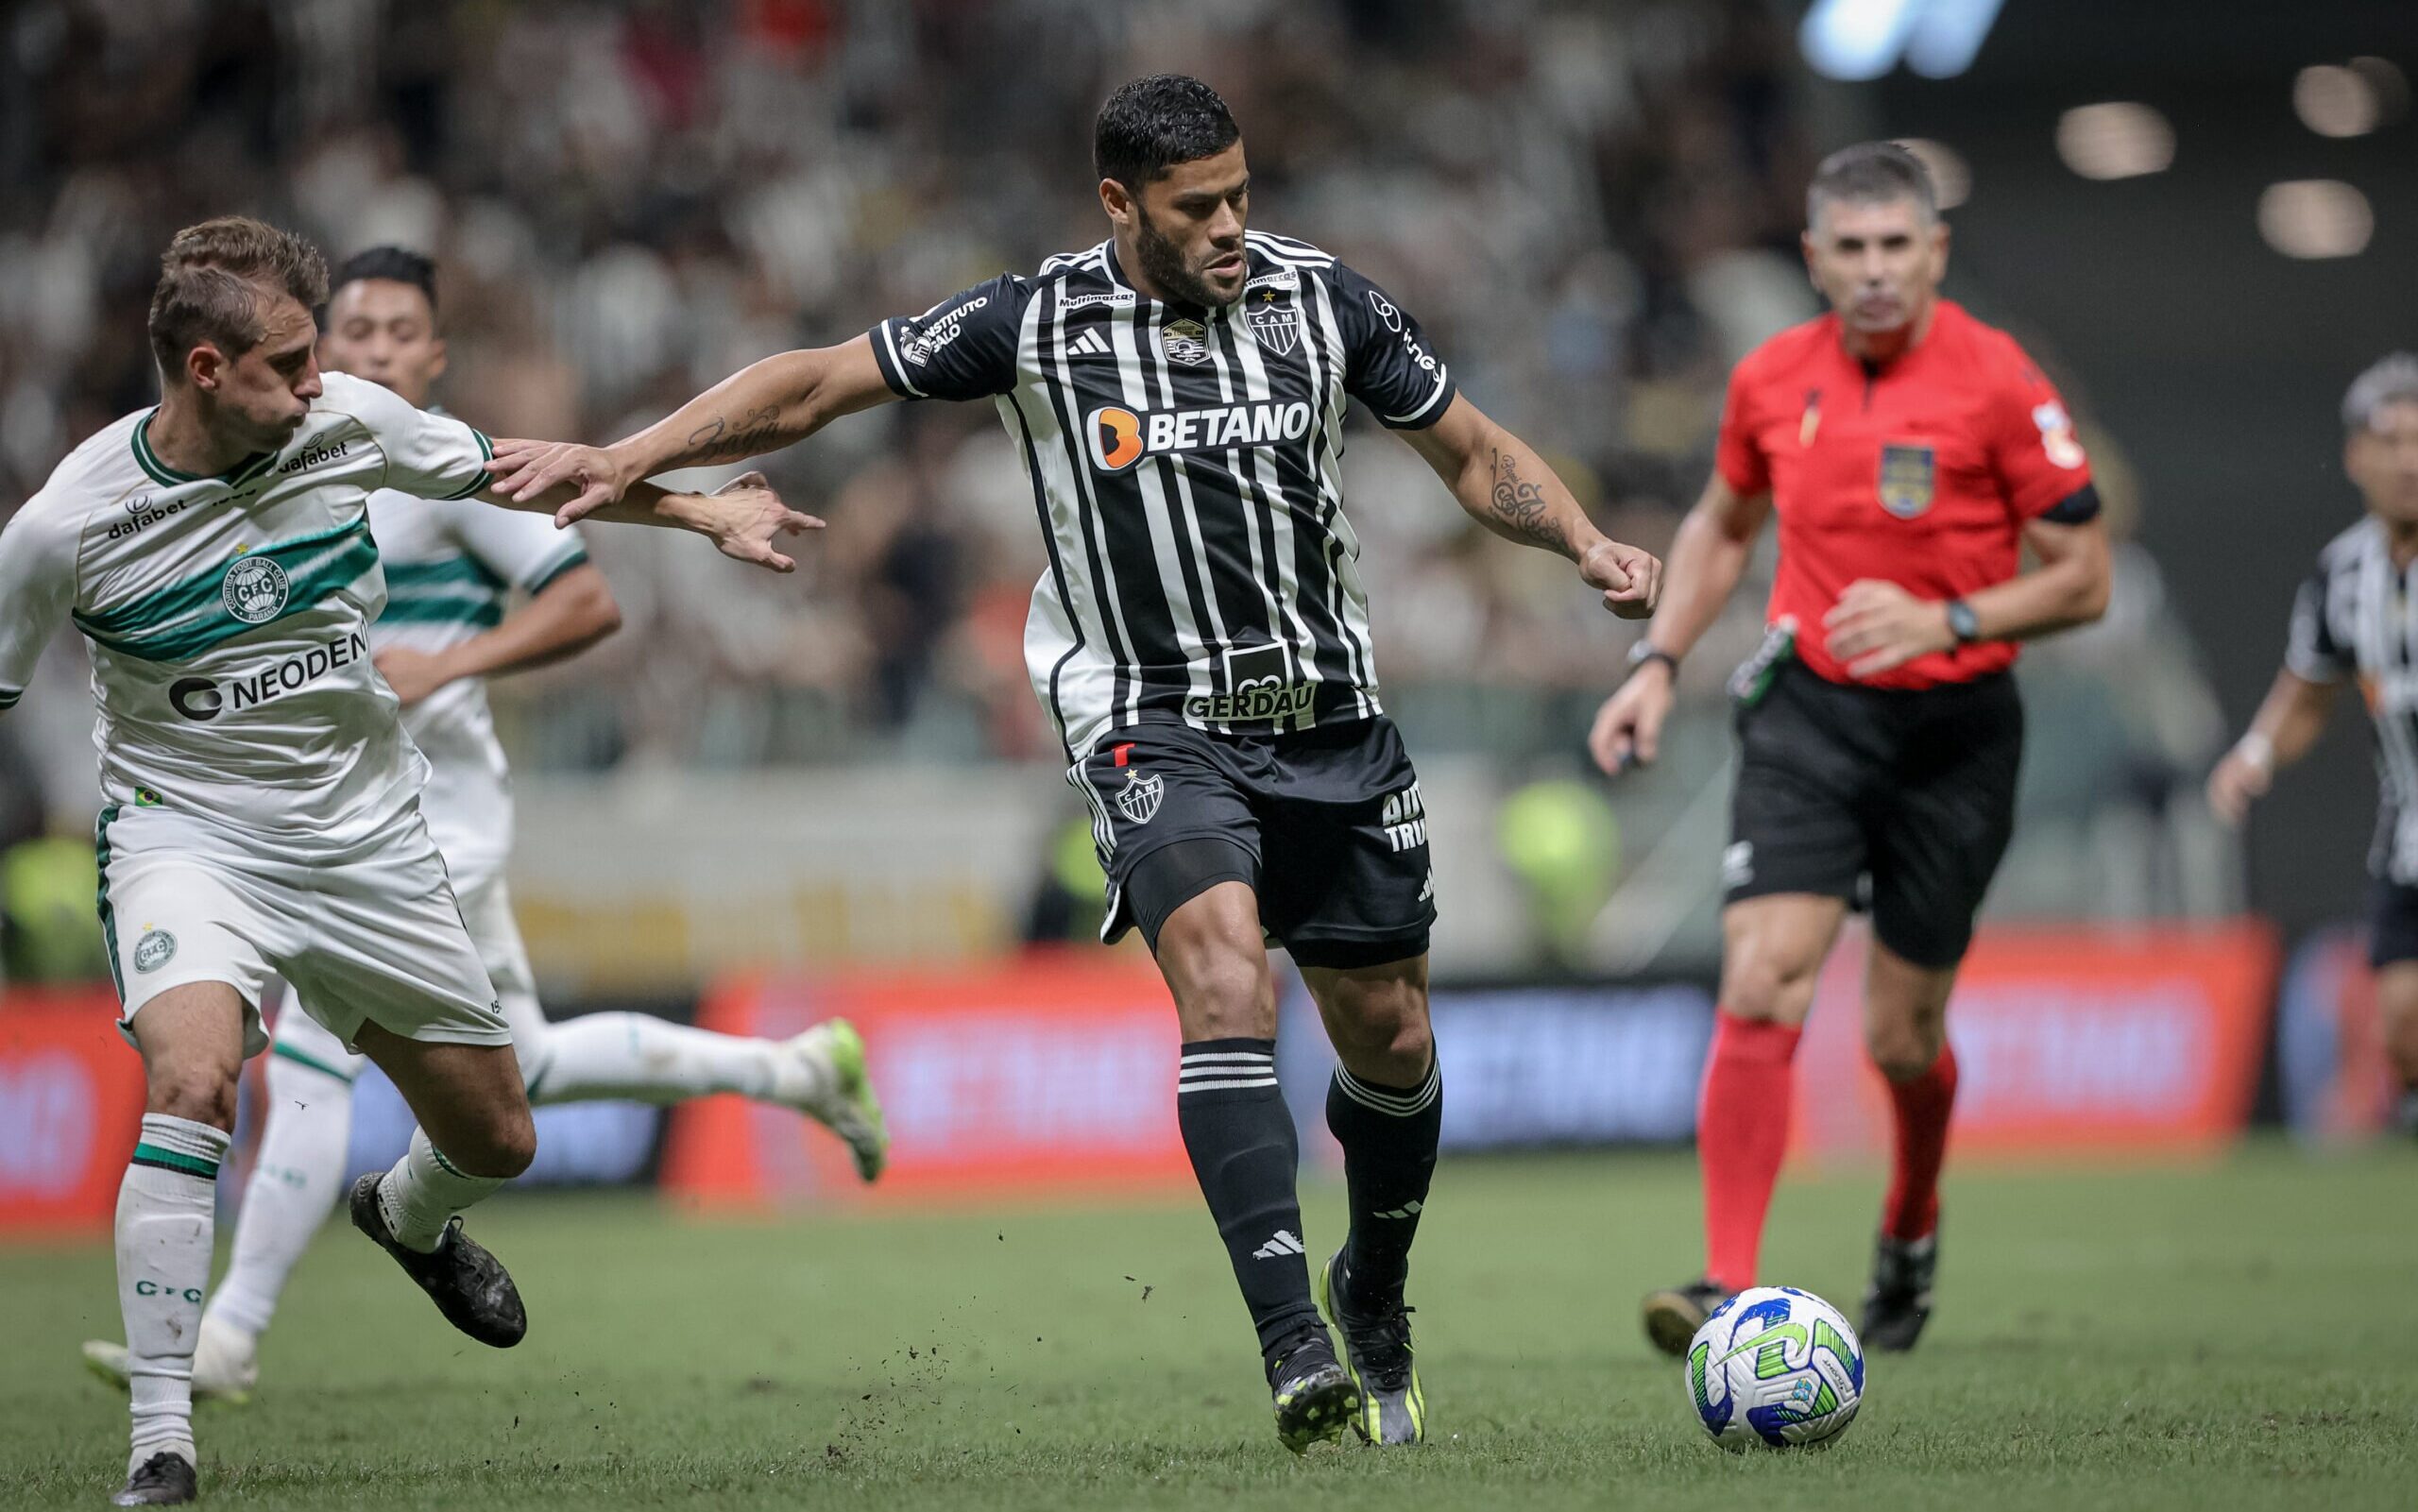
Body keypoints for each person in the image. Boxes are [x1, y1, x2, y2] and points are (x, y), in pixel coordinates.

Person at [488, 74, 1662, 1453]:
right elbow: (812, 383)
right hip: (1150, 716)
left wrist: (1581, 540)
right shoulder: (1033, 323)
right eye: (1197, 207)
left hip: (1333, 718)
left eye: (1241, 194)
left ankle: (1374, 1287)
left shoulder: (1321, 300)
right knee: (1224, 976)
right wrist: (632, 457)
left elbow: (1466, 449)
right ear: (1120, 204)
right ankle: (1295, 1347)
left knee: (1392, 1036)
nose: (1231, 225)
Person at [0, 216, 814, 1507]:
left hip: (367, 837)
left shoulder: (352, 424)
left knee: (499, 1139)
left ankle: (407, 1214)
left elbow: (529, 477)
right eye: (289, 364)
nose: (320, 382)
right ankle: (164, 1438)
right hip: (187, 836)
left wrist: (702, 509)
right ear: (206, 368)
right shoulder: (66, 529)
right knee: (196, 1079)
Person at [1588, 143, 2112, 1358]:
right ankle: (1726, 1282)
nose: (1876, 271)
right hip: (1809, 711)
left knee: (1898, 1038)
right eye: (1852, 249)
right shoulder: (1771, 378)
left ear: (1933, 252)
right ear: (1815, 259)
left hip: (1957, 730)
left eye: (1898, 246)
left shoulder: (1996, 380)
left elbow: (2082, 573)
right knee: (1765, 973)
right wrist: (1656, 662)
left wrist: (1952, 617)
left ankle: (1911, 1216)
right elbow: (1724, 518)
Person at [2209, 352, 2418, 1136]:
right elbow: (2308, 687)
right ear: (2355, 456)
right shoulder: (2343, 573)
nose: (2408, 459)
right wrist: (2255, 755)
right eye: (2390, 440)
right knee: (2401, 1033)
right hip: (2407, 840)